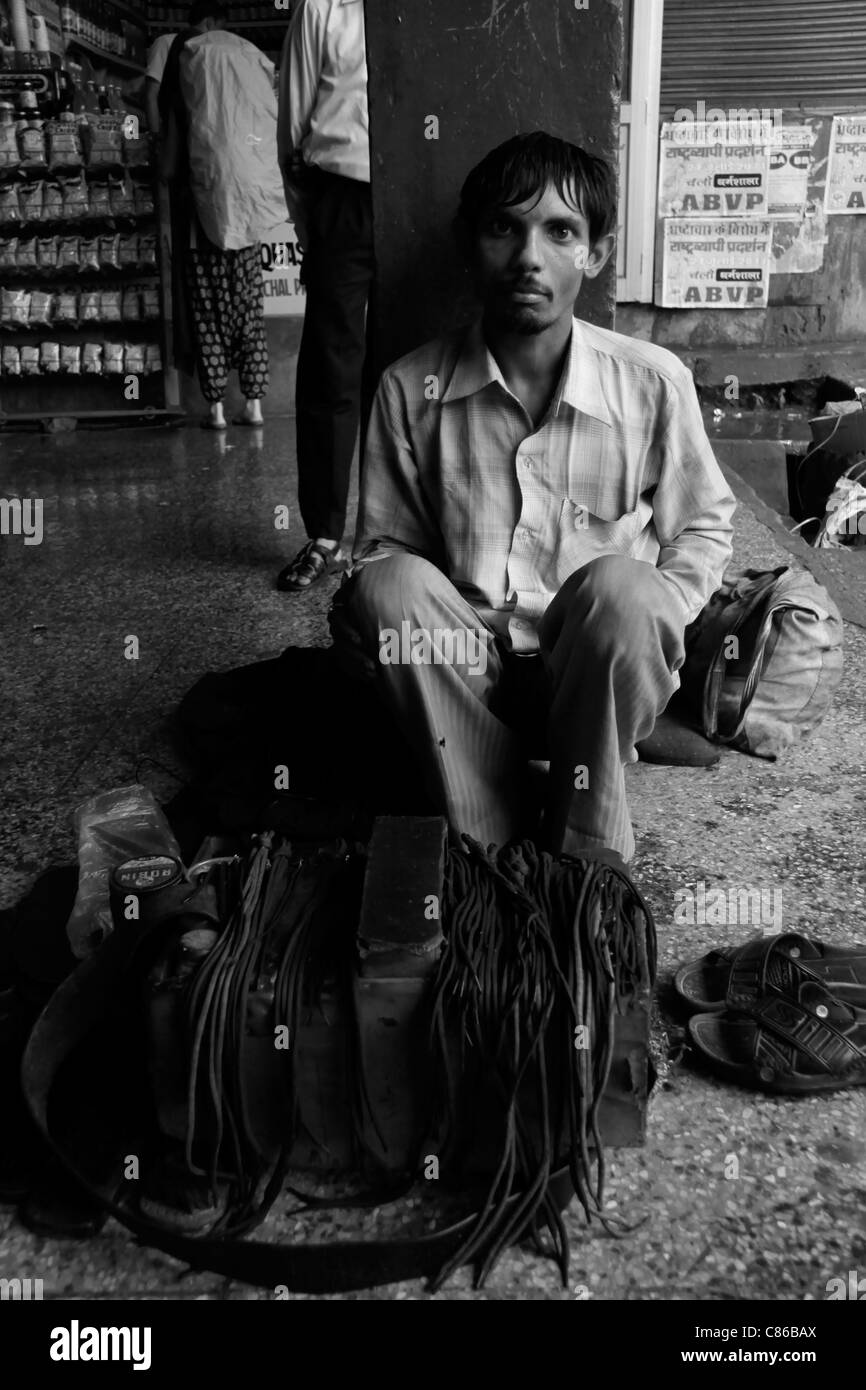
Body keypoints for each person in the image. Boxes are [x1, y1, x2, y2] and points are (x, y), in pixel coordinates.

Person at [329, 132, 736, 865]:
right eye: (502, 228)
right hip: (462, 682)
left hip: (595, 682)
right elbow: (389, 548)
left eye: (561, 232)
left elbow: (704, 528)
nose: (528, 257)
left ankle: (585, 843)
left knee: (627, 593)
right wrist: (368, 607)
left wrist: (646, 626)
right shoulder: (408, 388)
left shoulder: (652, 383)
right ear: (468, 243)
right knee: (385, 585)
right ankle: (490, 828)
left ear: (597, 255)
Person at [275, 0, 375, 591]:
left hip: (422, 195)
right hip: (341, 194)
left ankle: (397, 536)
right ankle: (325, 537)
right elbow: (294, 122)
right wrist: (308, 217)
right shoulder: (323, 7)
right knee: (330, 367)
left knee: (411, 368)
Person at [158, 0, 287, 430]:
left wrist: (166, 174)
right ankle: (254, 405)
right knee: (249, 312)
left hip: (203, 217)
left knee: (209, 315)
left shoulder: (187, 65)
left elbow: (172, 157)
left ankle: (214, 410)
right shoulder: (245, 61)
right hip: (247, 215)